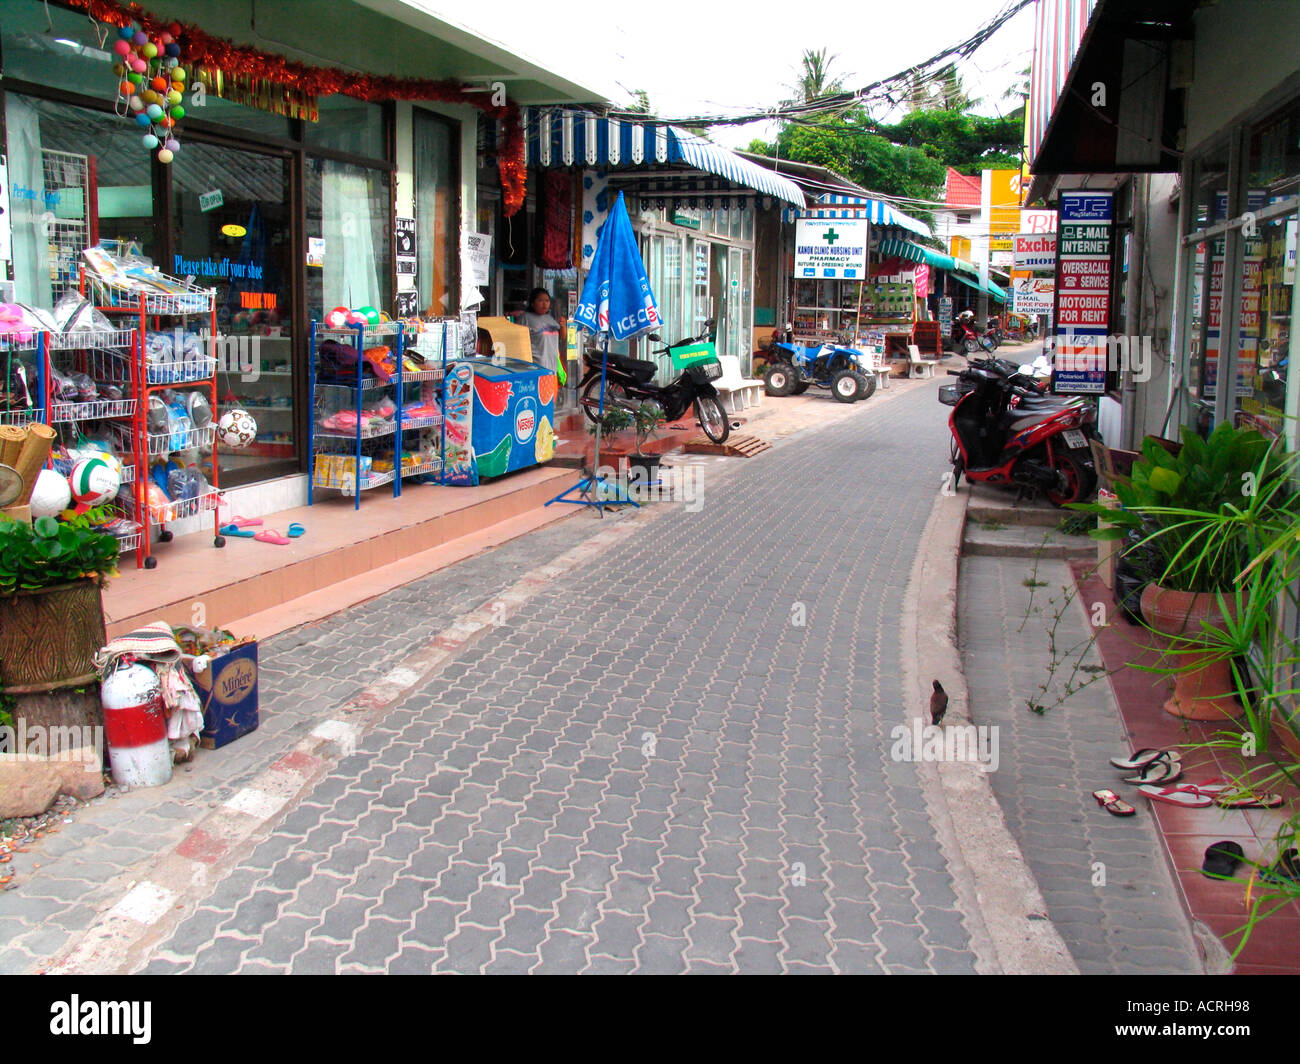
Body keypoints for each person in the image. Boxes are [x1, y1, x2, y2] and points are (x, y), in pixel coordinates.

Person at [521, 288, 563, 377]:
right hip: (535, 369)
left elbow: (562, 338)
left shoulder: (550, 319)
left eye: (547, 301)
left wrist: (564, 327)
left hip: (552, 369)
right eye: (540, 300)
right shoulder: (525, 319)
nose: (544, 304)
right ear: (532, 303)